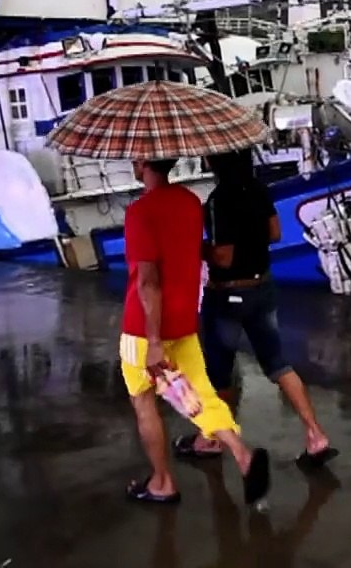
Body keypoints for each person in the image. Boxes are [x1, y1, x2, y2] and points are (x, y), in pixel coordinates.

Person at [120, 157, 270, 505]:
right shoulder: (189, 202)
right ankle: (243, 456)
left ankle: (162, 482)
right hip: (184, 321)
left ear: (143, 163)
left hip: (144, 330)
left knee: (144, 404)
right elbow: (196, 251)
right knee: (200, 395)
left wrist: (154, 342)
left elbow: (147, 282)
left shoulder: (140, 212)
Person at [177, 149, 337, 471]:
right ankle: (316, 435)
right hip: (262, 288)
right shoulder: (258, 189)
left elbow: (223, 258)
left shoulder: (218, 202)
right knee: (278, 365)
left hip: (228, 296)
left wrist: (194, 246)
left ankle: (211, 440)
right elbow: (275, 234)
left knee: (220, 373)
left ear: (215, 162)